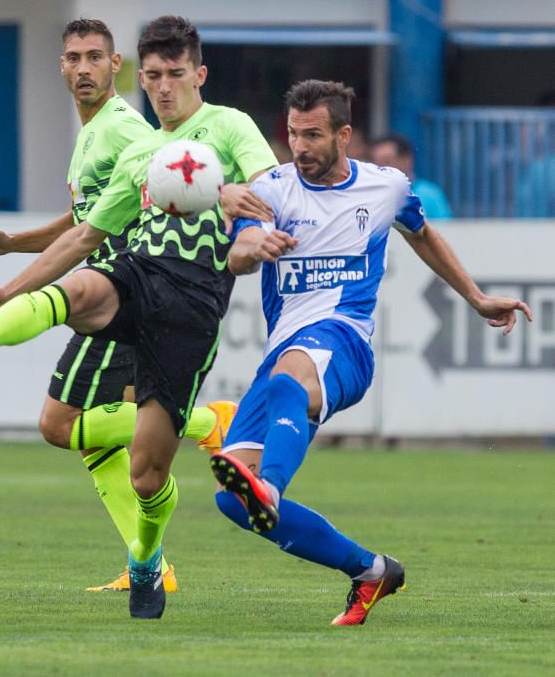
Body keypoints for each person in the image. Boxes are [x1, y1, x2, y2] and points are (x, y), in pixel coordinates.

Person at [0, 15, 278, 619]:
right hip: (137, 276)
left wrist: (228, 199)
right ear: (138, 77)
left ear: (199, 74)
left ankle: (150, 551)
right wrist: (9, 285)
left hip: (195, 302)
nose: (164, 88)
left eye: (175, 74)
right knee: (82, 294)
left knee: (141, 472)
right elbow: (87, 232)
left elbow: (269, 187)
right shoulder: (140, 149)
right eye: (154, 77)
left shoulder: (221, 126)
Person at [210, 79, 532, 626]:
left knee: (290, 383)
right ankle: (371, 570)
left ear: (344, 135)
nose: (300, 146)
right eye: (292, 134)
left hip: (345, 342)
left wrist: (475, 297)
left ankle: (272, 486)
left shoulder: (386, 187)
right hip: (286, 351)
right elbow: (240, 251)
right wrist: (252, 248)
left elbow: (422, 232)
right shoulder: (274, 189)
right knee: (230, 500)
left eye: (312, 135)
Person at [371, 133, 453, 220]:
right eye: (375, 163)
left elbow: (444, 229)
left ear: (407, 160)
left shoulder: (429, 194)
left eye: (386, 161)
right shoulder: (369, 194)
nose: (379, 168)